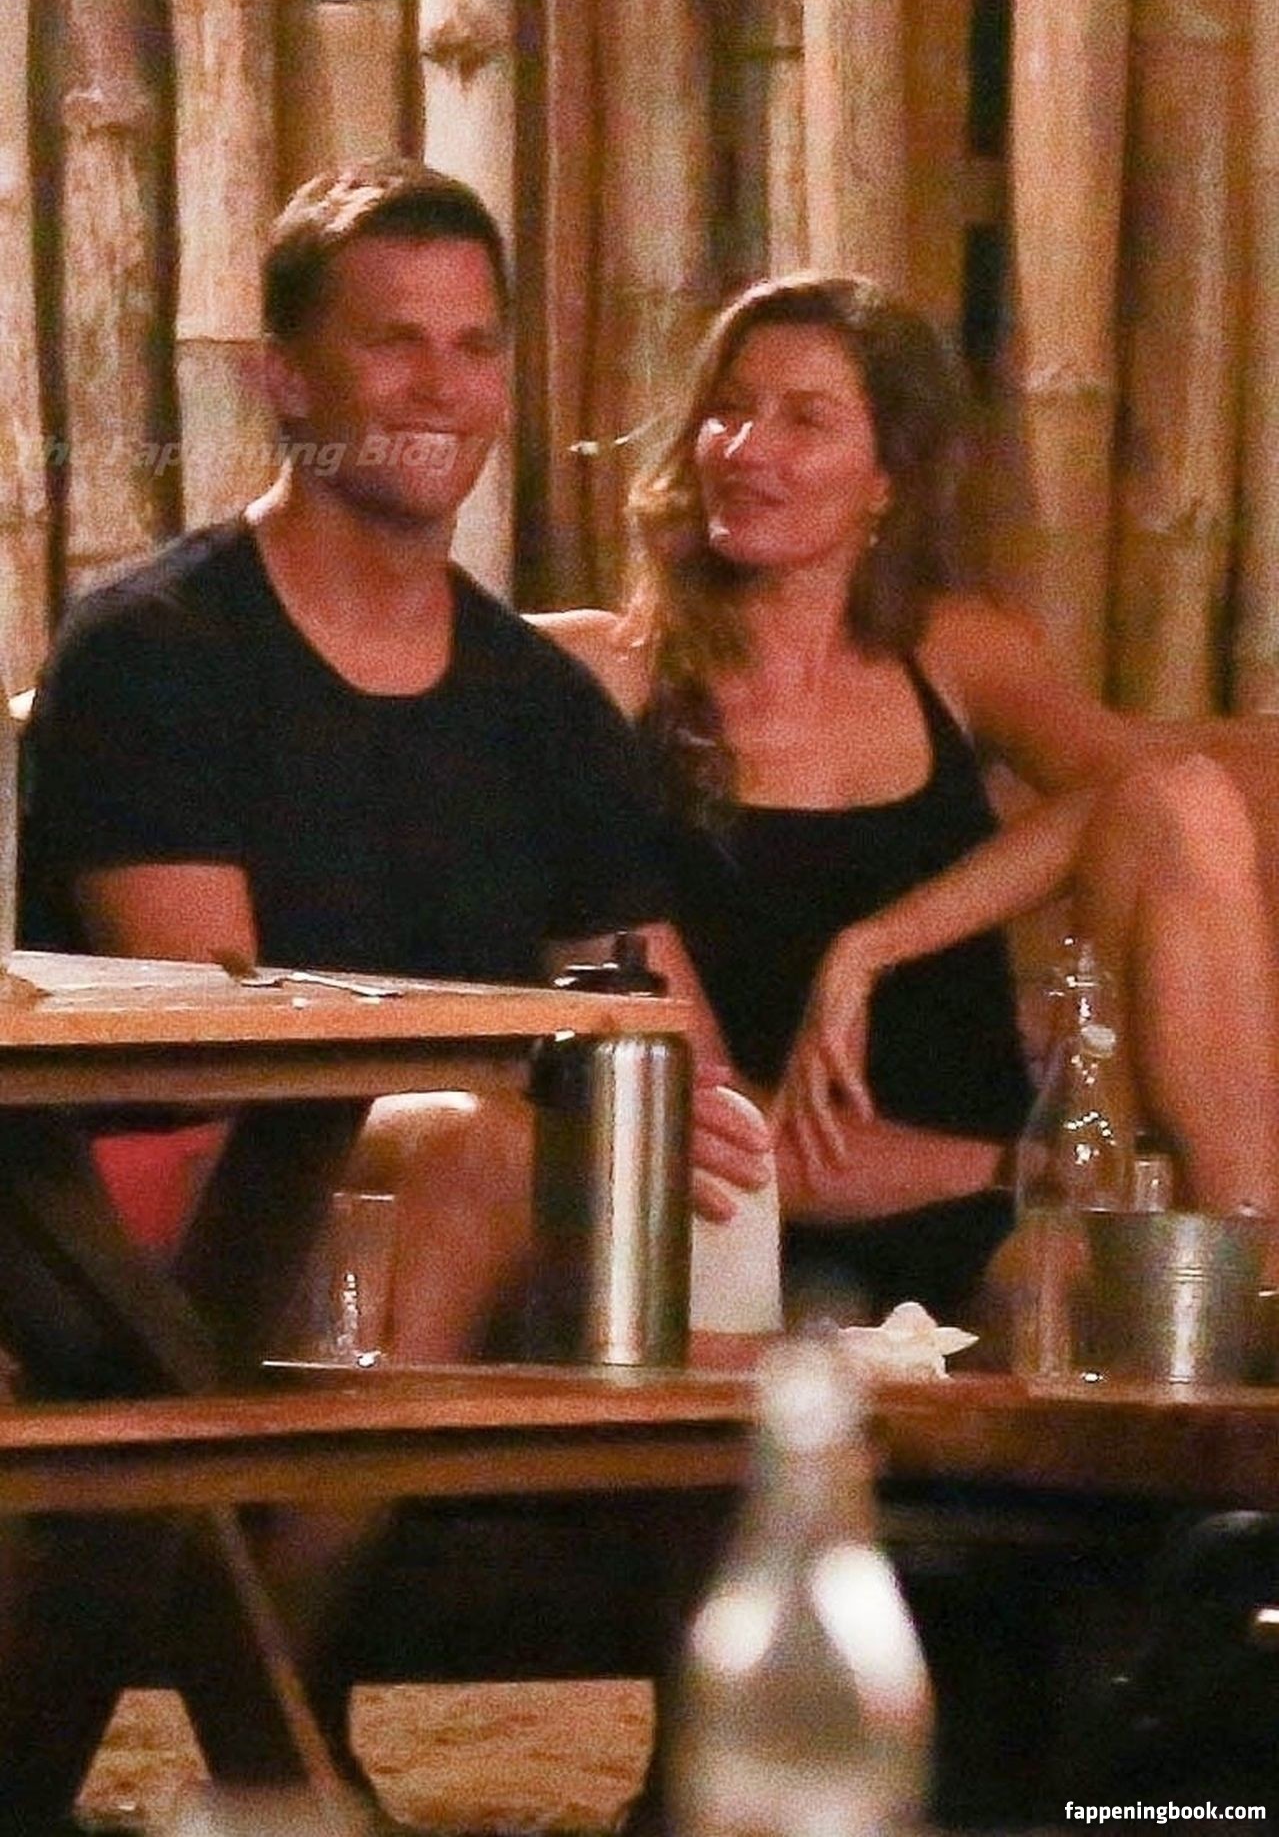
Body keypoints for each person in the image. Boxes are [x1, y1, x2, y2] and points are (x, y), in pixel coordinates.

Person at [12, 156, 767, 1829]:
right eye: (393, 342)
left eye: (473, 345)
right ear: (286, 377)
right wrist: (527, 1109)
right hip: (159, 1201)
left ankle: (699, 1796)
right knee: (489, 1158)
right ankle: (271, 1743)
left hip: (454, 1190)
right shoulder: (155, 651)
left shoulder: (536, 703)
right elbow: (211, 1040)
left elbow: (655, 1027)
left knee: (697, 1223)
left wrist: (702, 1152)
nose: (441, 386)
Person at [535, 270, 1279, 1324]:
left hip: (1006, 1226)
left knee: (1182, 813)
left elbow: (1185, 796)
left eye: (804, 421)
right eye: (728, 411)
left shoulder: (956, 656)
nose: (745, 450)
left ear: (887, 478)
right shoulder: (604, 679)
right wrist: (1023, 1165)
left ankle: (1258, 1283)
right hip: (771, 1224)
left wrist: (875, 944)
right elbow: (709, 1130)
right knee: (1099, 1282)